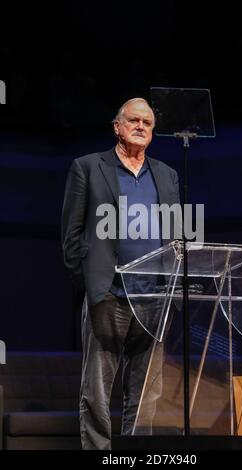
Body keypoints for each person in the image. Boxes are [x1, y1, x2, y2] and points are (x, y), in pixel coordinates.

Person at [61, 98, 180, 450]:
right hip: (108, 295)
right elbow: (71, 236)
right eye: (133, 120)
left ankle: (135, 455)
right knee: (97, 393)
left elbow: (175, 235)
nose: (141, 126)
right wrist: (90, 286)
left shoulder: (167, 174)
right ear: (117, 126)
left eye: (147, 122)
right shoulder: (87, 167)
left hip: (154, 299)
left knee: (146, 396)